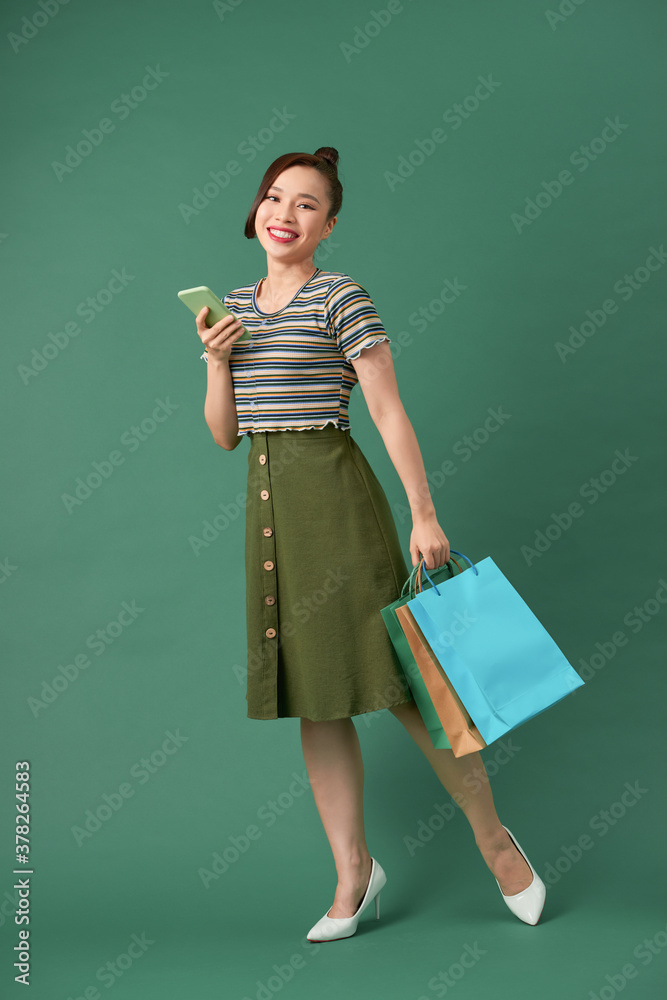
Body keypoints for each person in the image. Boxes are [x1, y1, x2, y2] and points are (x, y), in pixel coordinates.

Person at [196, 147, 546, 942]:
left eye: (307, 204)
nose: (285, 214)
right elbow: (224, 436)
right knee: (313, 699)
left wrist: (423, 514)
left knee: (404, 686)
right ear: (254, 211)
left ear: (330, 222)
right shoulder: (234, 308)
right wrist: (216, 362)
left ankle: (494, 843)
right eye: (274, 199)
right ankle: (354, 872)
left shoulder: (340, 296)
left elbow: (387, 409)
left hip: (336, 500)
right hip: (268, 508)